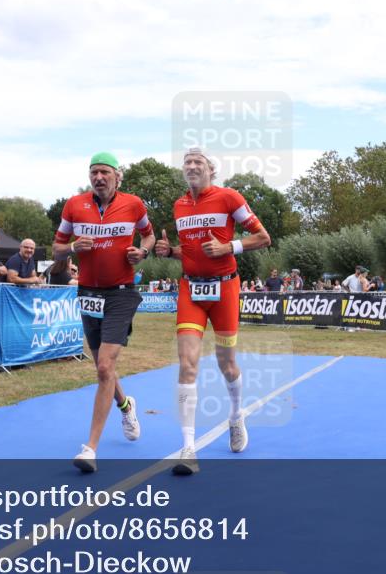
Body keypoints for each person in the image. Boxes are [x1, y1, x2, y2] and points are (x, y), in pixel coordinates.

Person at [155, 147, 271, 475]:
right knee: (187, 363)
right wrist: (169, 252)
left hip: (226, 289)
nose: (191, 166)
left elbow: (263, 237)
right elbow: (192, 253)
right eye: (187, 163)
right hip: (191, 289)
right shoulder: (179, 205)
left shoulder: (229, 198)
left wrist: (228, 247)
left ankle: (236, 416)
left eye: (198, 163)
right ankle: (188, 446)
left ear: (210, 170)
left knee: (226, 363)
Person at [53, 151, 155, 473]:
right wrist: (71, 248)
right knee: (102, 366)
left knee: (105, 365)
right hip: (88, 293)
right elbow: (56, 248)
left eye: (105, 172)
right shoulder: (74, 205)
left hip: (121, 293)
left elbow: (148, 234)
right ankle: (126, 405)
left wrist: (143, 251)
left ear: (117, 176)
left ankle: (90, 448)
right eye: (94, 172)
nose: (99, 178)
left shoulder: (134, 204)